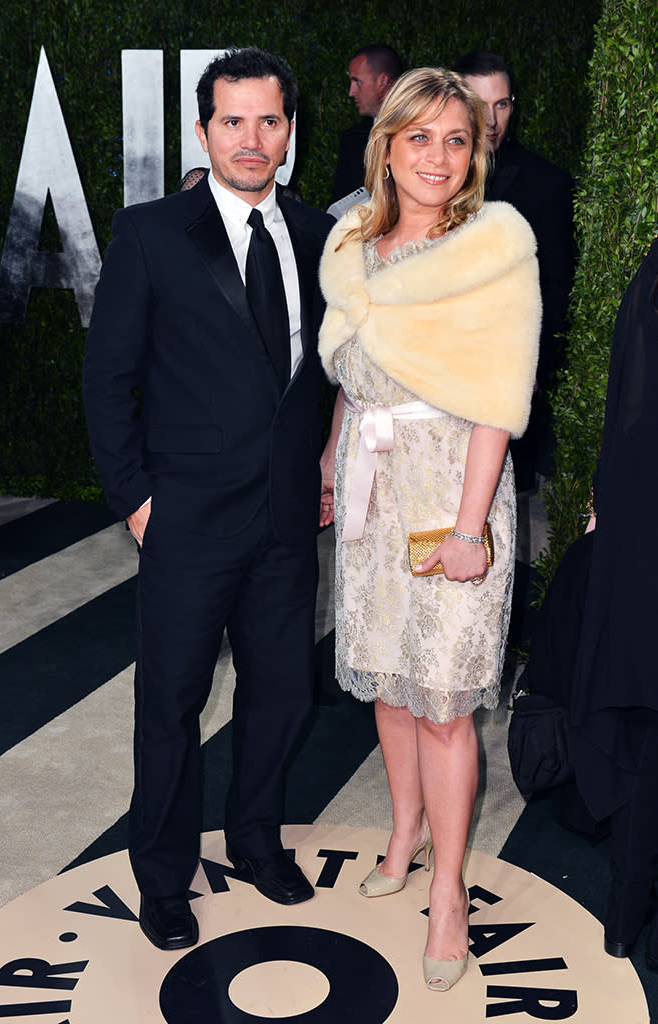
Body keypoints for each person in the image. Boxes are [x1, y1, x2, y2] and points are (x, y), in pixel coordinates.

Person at [83, 47, 333, 952]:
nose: (251, 139)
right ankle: (162, 875)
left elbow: (322, 374)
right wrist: (136, 502)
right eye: (233, 121)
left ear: (290, 132)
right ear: (203, 130)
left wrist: (328, 464)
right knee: (171, 705)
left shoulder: (318, 236)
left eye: (270, 121)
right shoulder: (150, 232)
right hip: (183, 517)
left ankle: (258, 842)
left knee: (279, 695)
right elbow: (108, 379)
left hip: (284, 519)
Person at [318, 67, 540, 991]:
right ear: (387, 145)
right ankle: (402, 832)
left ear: (476, 151)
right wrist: (332, 458)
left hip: (454, 486)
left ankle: (447, 891)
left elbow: (497, 397)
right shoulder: (351, 243)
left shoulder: (494, 246)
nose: (438, 158)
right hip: (373, 487)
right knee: (391, 682)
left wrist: (470, 529)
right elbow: (347, 363)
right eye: (419, 137)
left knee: (446, 704)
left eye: (458, 139)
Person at [569, 239, 658, 966]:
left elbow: (625, 404)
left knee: (636, 719)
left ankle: (625, 912)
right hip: (638, 517)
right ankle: (628, 908)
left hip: (638, 516)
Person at [453, 50, 574, 491]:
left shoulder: (547, 183)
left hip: (506, 382)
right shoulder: (423, 173)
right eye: (477, 103)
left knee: (497, 511)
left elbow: (555, 288)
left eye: (501, 104)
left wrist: (534, 374)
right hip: (430, 379)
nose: (490, 120)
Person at [328, 44, 403, 205]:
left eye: (357, 82)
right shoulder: (352, 139)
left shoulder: (420, 132)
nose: (351, 92)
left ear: (383, 81)